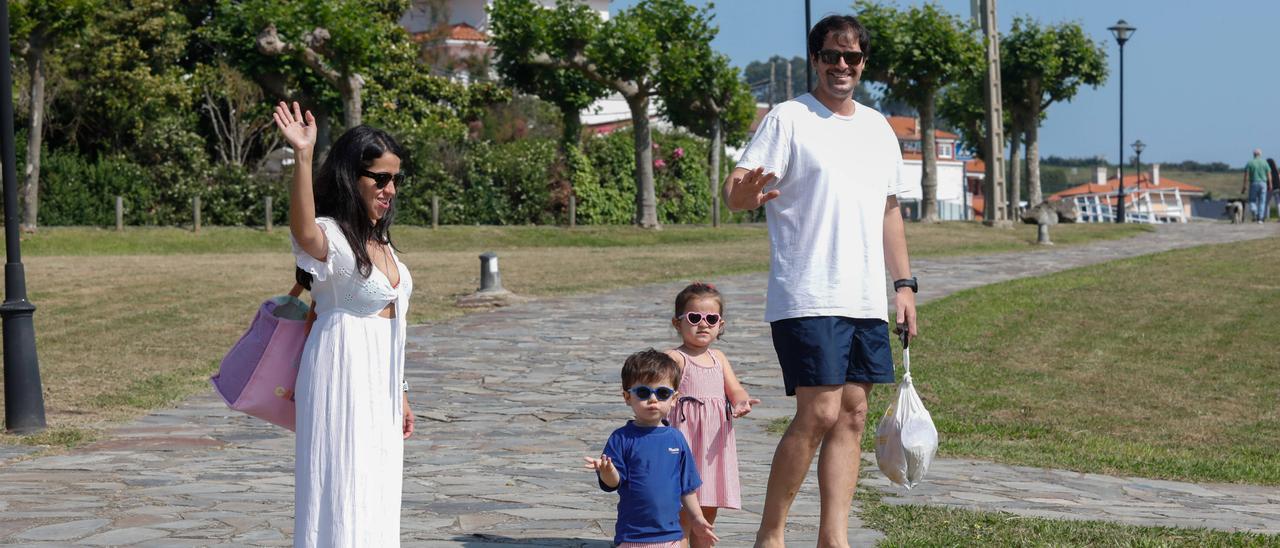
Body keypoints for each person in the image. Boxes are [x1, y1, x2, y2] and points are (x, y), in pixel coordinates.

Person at [722, 14, 918, 548]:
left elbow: (889, 212)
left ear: (863, 64)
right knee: (821, 410)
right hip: (806, 293)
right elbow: (736, 190)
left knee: (853, 414)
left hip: (863, 297)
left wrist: (903, 286)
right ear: (816, 58)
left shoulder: (878, 128)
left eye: (851, 58)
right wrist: (746, 196)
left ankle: (835, 538)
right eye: (831, 55)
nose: (841, 66)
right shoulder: (789, 119)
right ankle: (771, 534)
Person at [273, 101, 416, 547]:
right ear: (352, 176)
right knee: (342, 483)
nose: (390, 188)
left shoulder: (380, 239)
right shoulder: (330, 235)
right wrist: (302, 156)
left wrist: (403, 391)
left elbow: (394, 324)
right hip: (341, 371)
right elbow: (302, 230)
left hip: (382, 382)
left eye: (396, 179)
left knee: (377, 485)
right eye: (380, 178)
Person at [585, 349, 719, 548]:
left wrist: (697, 518)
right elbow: (613, 483)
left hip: (671, 535)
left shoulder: (676, 438)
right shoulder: (621, 438)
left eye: (663, 393)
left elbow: (687, 488)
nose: (653, 399)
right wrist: (607, 471)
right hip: (632, 536)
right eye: (643, 392)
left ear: (674, 399)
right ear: (627, 397)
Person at [664, 282, 761, 548]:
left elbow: (735, 390)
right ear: (677, 323)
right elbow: (658, 389)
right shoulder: (674, 358)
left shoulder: (719, 357)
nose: (703, 324)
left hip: (712, 445)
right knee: (682, 506)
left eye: (711, 318)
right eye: (694, 318)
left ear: (721, 324)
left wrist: (741, 402)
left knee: (708, 503)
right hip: (683, 441)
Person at [1244, 149, 1270, 223]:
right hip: (1263, 183)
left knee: (1252, 200)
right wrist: (1270, 184)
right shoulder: (1264, 162)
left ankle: (1254, 211)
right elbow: (1269, 174)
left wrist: (1244, 185)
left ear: (1254, 154)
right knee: (1262, 201)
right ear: (1260, 154)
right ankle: (1260, 218)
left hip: (1253, 183)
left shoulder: (1250, 162)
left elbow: (1246, 174)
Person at [1267, 158, 1279, 222]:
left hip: (1270, 188)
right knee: (1278, 203)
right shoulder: (1277, 171)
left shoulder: (1268, 172)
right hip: (1277, 188)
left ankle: (1267, 217)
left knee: (1267, 203)